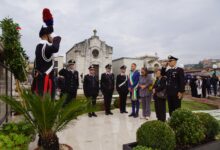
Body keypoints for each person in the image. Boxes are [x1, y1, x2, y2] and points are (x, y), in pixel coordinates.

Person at [32, 26, 61, 98]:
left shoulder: (40, 46)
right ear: (46, 35)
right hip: (45, 81)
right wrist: (57, 38)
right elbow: (55, 48)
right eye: (50, 34)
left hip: (42, 79)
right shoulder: (43, 46)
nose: (52, 37)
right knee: (45, 104)